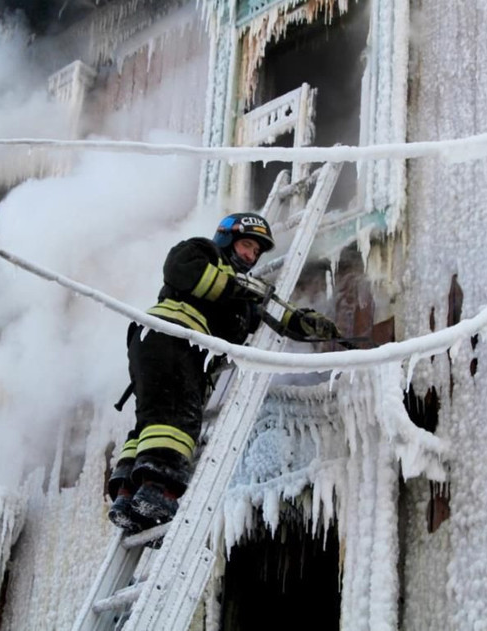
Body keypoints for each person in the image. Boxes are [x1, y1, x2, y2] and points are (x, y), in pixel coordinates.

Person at [107, 212, 342, 533]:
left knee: (151, 419)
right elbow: (181, 269)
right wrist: (240, 286)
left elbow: (265, 316)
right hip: (171, 335)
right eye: (246, 245)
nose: (250, 255)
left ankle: (127, 494)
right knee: (177, 417)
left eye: (256, 252)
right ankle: (158, 489)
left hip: (159, 345)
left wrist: (303, 322)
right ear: (226, 239)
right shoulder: (201, 251)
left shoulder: (237, 299)